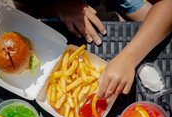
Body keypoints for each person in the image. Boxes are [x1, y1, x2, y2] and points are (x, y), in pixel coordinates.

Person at [12, 0, 172, 99]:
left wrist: (128, 58)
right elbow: (24, 9)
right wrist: (59, 8)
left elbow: (167, 7)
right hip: (52, 20)